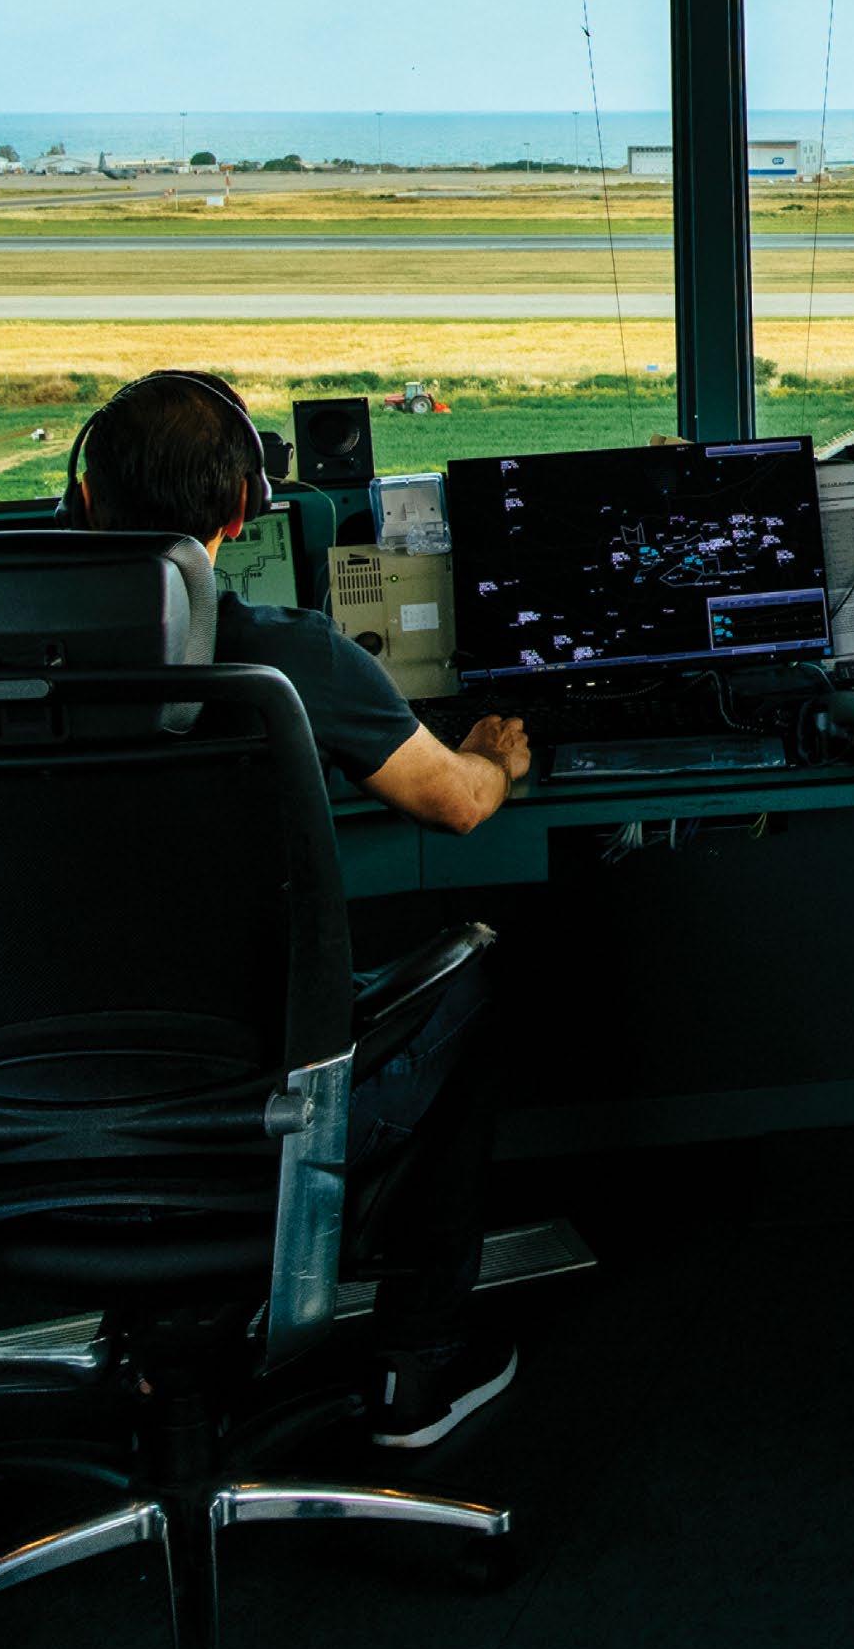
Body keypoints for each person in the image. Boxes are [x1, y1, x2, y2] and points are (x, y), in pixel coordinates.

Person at [75, 369, 530, 1446]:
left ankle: (169, 1345)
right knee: (468, 975)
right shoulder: (284, 655)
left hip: (25, 1106)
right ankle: (418, 1360)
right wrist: (494, 755)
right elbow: (457, 805)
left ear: (84, 498)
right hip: (255, 1103)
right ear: (244, 508)